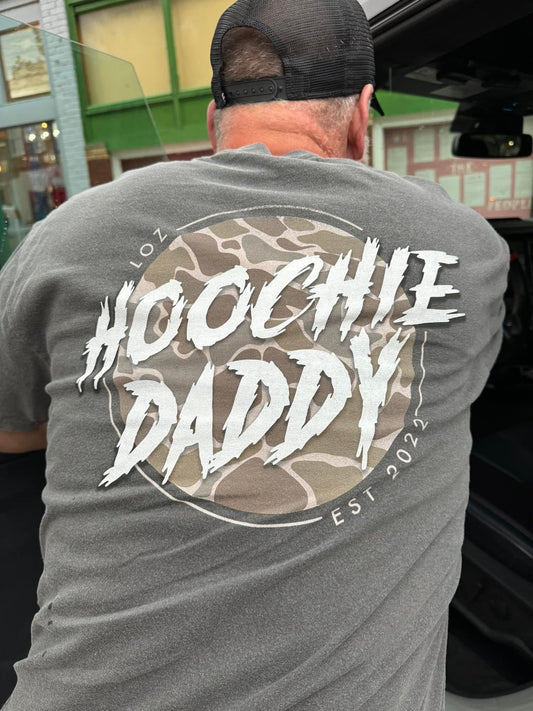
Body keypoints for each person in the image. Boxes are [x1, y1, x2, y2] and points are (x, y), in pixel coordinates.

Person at [0, 1, 509, 709]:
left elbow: (13, 430)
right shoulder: (465, 249)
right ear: (361, 116)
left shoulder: (67, 236)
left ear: (214, 117)